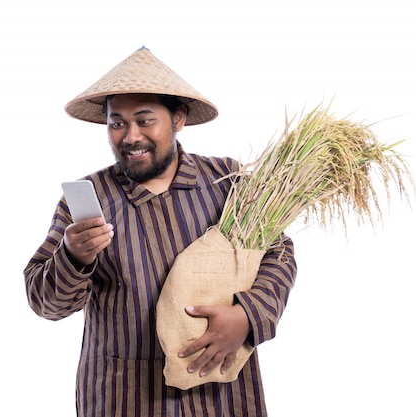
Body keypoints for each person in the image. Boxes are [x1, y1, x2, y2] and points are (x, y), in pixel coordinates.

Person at [24, 47, 297, 417]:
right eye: (117, 123)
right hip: (126, 396)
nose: (131, 136)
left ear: (178, 118)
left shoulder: (226, 180)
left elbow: (277, 252)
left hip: (223, 394)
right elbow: (46, 303)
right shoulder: (90, 199)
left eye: (145, 120)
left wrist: (247, 316)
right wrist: (74, 256)